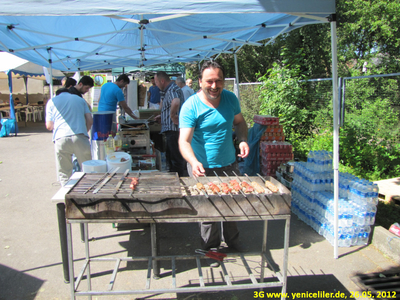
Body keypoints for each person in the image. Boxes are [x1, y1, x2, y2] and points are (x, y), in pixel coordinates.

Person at [179, 61, 249, 266]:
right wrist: (193, 162)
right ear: (200, 82)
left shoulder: (230, 99)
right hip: (202, 167)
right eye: (209, 81)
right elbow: (183, 141)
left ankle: (233, 242)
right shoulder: (191, 105)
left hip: (229, 164)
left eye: (218, 81)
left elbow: (240, 122)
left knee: (232, 205)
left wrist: (243, 139)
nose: (214, 86)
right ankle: (210, 249)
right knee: (208, 211)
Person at [45, 88, 93, 186]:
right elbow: (90, 120)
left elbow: (49, 126)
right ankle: (89, 193)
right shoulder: (79, 100)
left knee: (64, 172)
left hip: (60, 137)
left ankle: (66, 196)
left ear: (57, 94)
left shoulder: (52, 101)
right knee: (87, 169)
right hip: (80, 135)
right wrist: (84, 131)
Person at [154, 71, 187, 177]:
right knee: (173, 158)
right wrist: (164, 116)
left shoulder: (172, 89)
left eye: (156, 82)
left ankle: (179, 183)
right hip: (171, 130)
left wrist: (172, 116)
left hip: (174, 130)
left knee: (175, 159)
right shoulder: (171, 89)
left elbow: (176, 102)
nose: (156, 85)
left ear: (162, 81)